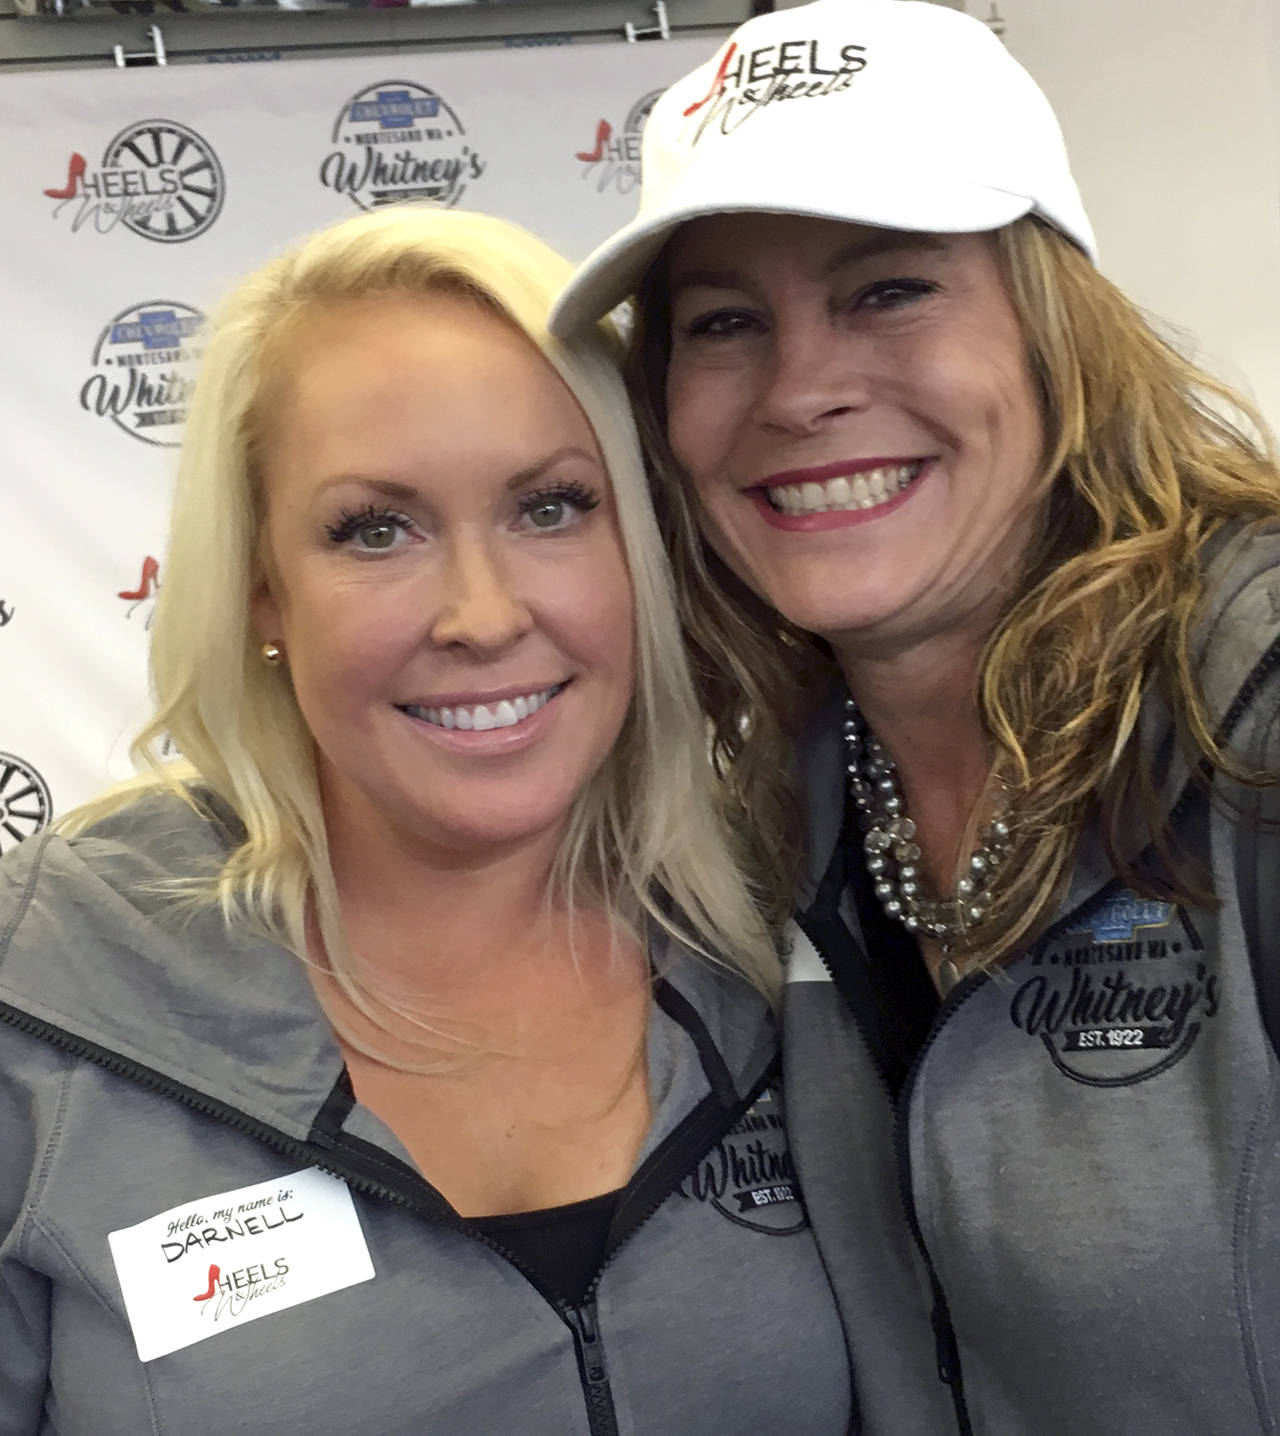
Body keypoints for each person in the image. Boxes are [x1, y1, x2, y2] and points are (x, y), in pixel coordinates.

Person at [0, 206, 854, 1435]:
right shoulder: (46, 1001)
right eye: (375, 529)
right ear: (259, 588)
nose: (480, 612)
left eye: (550, 505)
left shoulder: (792, 923)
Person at [551, 2, 1280, 1432]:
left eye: (887, 289)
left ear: (1051, 325)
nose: (803, 388)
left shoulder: (1250, 711)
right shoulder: (781, 804)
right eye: (723, 324)